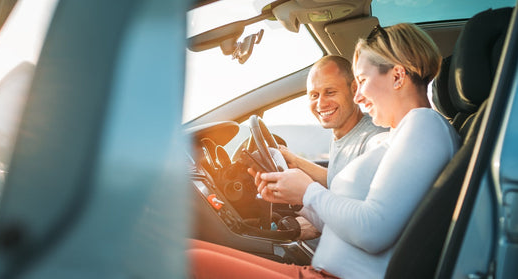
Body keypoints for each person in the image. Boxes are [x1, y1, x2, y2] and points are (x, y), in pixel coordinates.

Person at [189, 23, 460, 279]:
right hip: (320, 271)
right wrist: (291, 196)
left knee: (190, 261)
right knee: (190, 251)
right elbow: (348, 221)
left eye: (362, 80)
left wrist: (309, 191)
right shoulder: (398, 136)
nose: (358, 96)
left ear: (398, 76)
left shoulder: (423, 125)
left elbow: (374, 229)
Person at [280, 55, 387, 240]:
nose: (321, 104)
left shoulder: (374, 140)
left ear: (354, 90)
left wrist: (303, 201)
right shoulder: (343, 132)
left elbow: (359, 225)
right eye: (314, 95)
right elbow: (337, 180)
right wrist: (295, 161)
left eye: (330, 92)